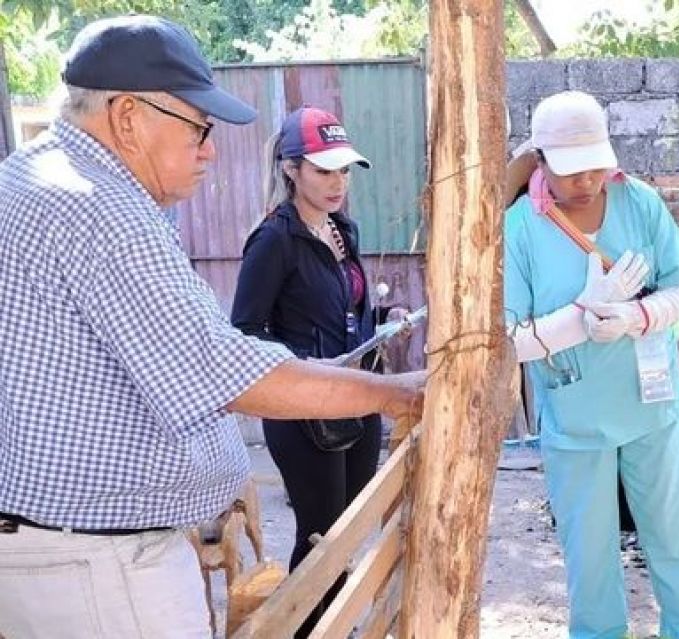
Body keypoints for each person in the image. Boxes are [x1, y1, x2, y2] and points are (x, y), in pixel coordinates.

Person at [0, 16, 423, 639]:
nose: (209, 148)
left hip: (71, 552)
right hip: (98, 563)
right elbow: (221, 366)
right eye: (198, 127)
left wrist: (336, 371)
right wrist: (400, 392)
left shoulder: (35, 179)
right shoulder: (101, 206)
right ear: (126, 117)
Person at [503, 90, 679, 639]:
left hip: (653, 406)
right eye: (571, 170)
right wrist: (578, 320)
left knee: (674, 537)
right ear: (540, 160)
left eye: (596, 165)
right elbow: (508, 342)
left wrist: (637, 316)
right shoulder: (521, 227)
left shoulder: (639, 201)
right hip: (576, 419)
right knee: (589, 557)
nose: (586, 181)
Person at [230, 106, 400, 635]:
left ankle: (335, 625)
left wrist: (384, 321)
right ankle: (309, 629)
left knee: (349, 532)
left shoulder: (341, 229)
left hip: (355, 400)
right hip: (302, 412)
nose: (337, 183)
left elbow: (342, 314)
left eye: (344, 170)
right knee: (319, 537)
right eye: (324, 170)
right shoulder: (273, 240)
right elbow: (244, 335)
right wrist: (306, 364)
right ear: (291, 168)